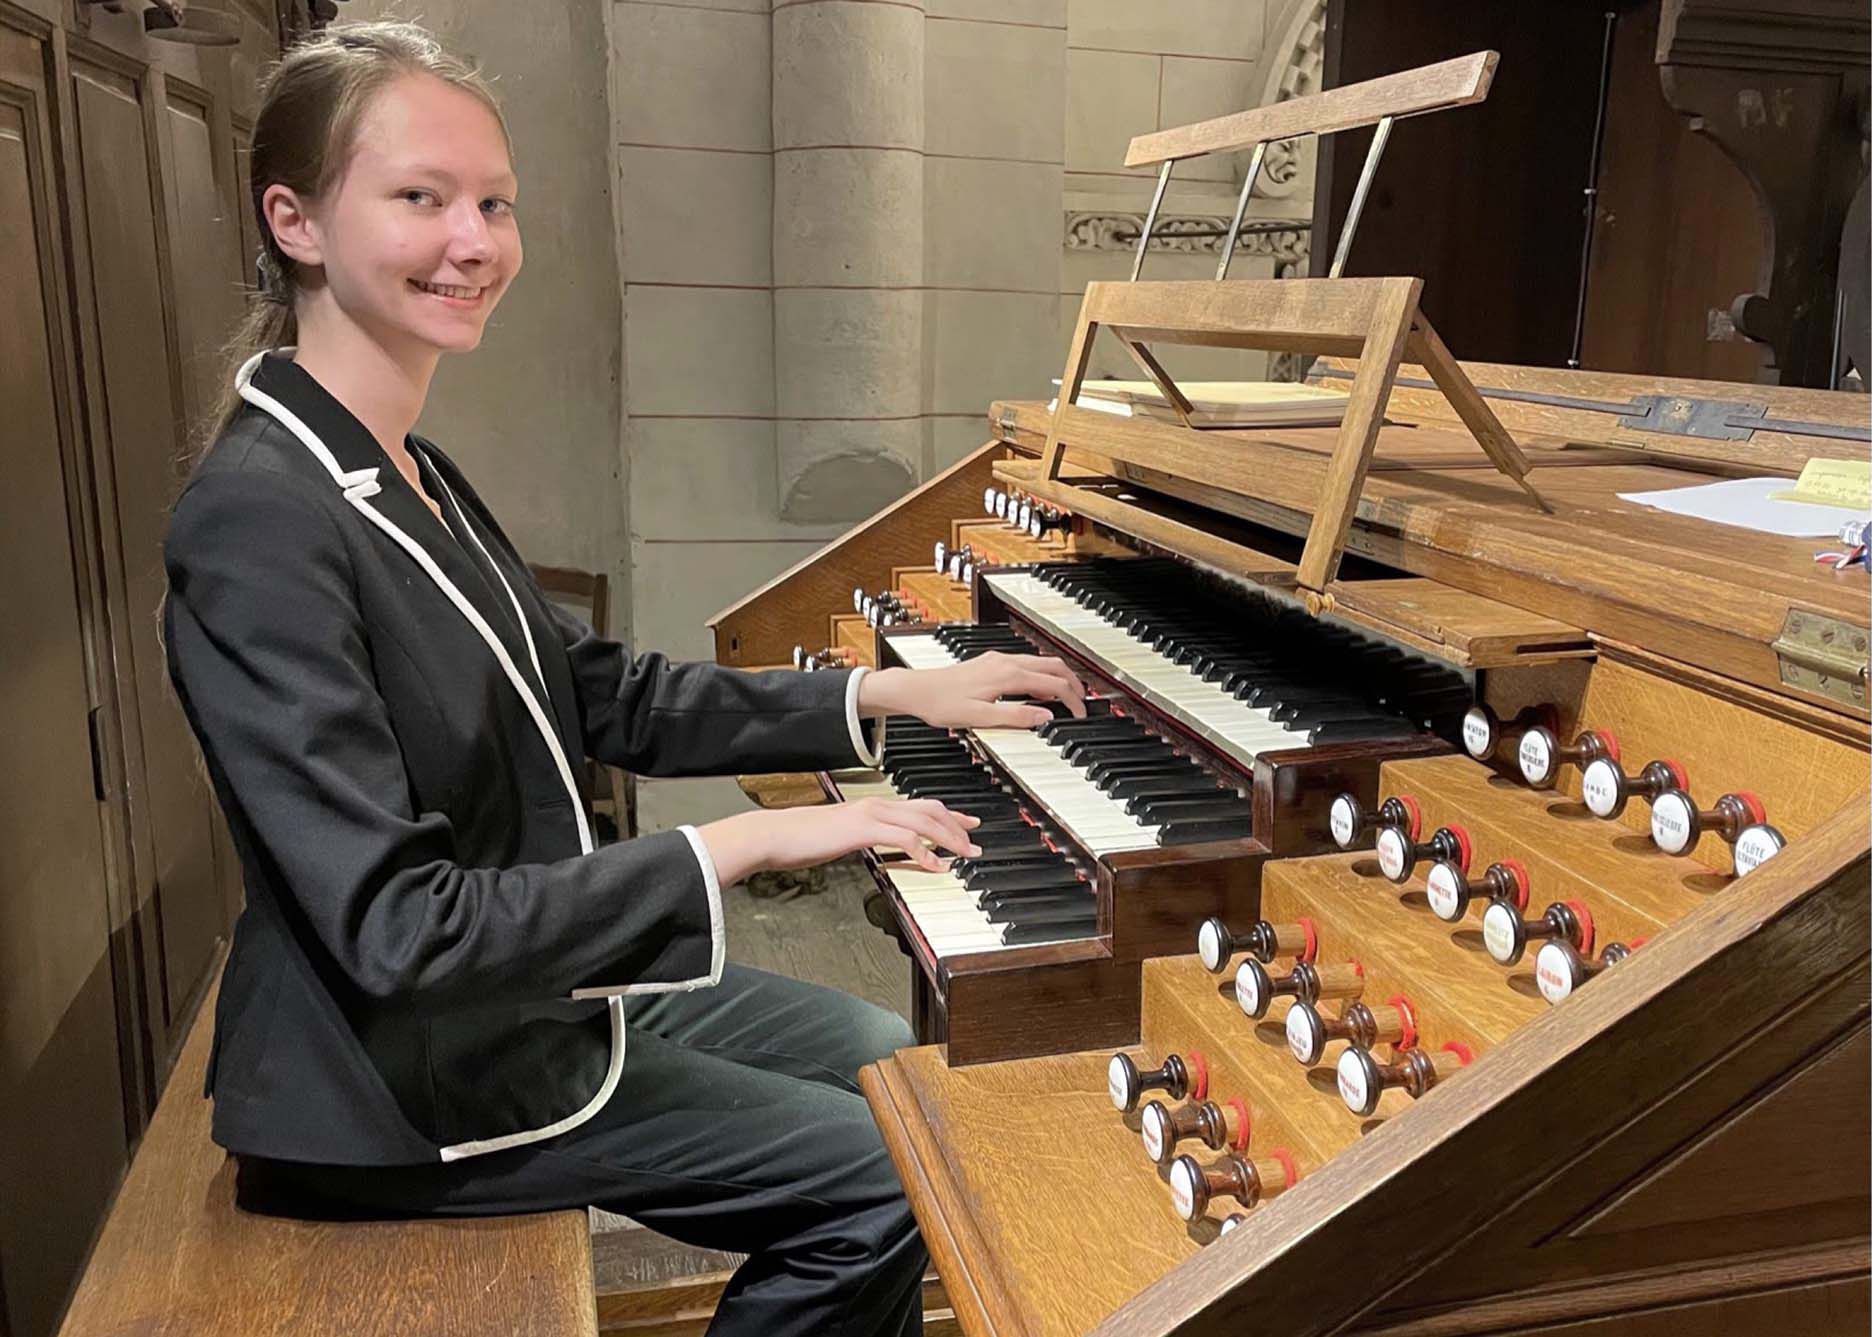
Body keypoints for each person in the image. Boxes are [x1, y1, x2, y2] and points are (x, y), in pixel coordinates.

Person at [162, 22, 1085, 1337]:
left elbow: (602, 689)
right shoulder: (260, 515)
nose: (475, 240)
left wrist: (880, 697)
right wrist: (747, 845)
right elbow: (398, 930)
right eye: (420, 198)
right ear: (296, 221)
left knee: (900, 1072)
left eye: (495, 202)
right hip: (405, 1075)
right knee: (888, 1176)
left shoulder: (402, 462)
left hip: (518, 994)